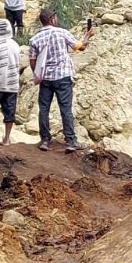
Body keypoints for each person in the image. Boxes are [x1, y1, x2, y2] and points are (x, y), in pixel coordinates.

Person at [28, 8, 92, 154]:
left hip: (46, 78)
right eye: (55, 17)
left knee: (44, 108)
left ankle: (45, 140)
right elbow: (80, 47)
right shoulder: (61, 32)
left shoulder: (35, 39)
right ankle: (70, 141)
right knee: (65, 109)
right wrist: (87, 36)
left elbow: (32, 61)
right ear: (52, 19)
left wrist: (38, 74)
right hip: (63, 76)